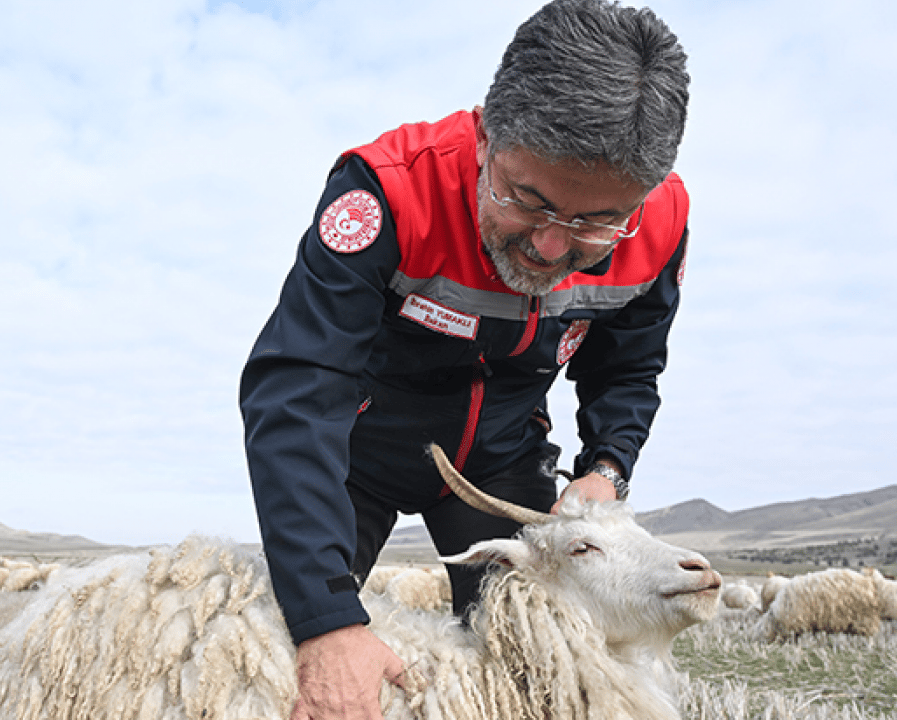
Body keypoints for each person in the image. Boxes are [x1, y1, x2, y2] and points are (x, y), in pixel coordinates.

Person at [239, 0, 691, 716]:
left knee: (533, 682)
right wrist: (326, 621)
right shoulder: (387, 193)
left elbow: (628, 367)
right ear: (486, 135)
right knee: (289, 658)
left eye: (596, 222)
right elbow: (301, 384)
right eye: (526, 198)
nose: (551, 246)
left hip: (502, 465)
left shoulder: (658, 227)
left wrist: (608, 465)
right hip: (357, 456)